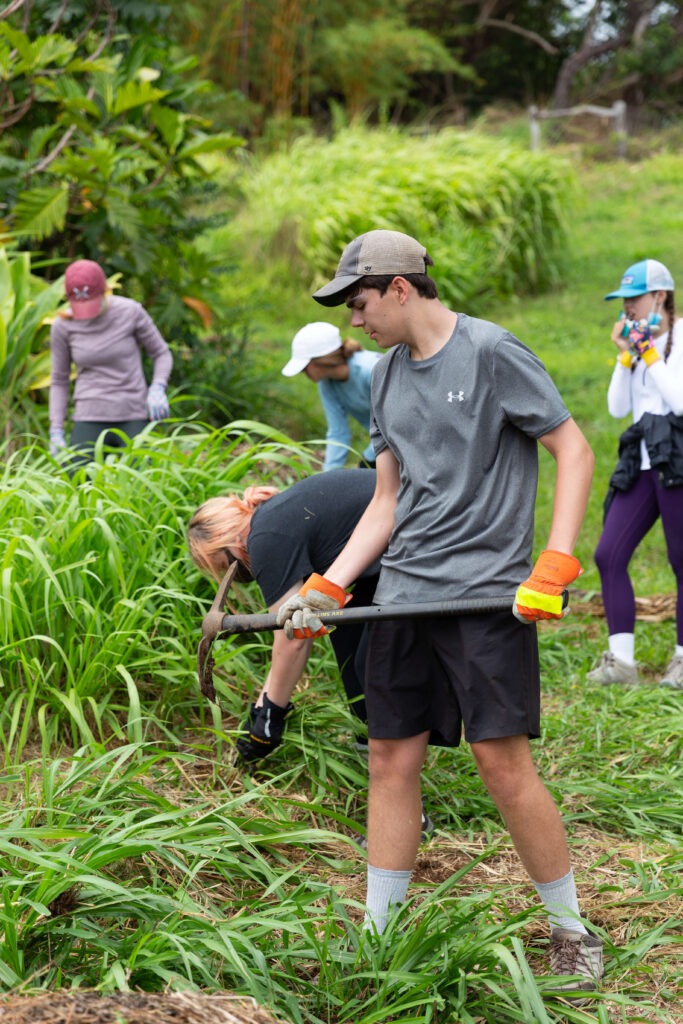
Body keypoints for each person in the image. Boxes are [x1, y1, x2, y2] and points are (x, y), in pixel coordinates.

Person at [276, 229, 601, 996]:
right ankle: (376, 938)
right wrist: (332, 584)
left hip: (486, 593)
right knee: (389, 758)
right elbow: (387, 501)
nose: (355, 322)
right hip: (403, 595)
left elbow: (574, 448)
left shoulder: (491, 353)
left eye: (359, 304)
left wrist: (553, 561)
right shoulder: (384, 378)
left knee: (501, 764)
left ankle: (570, 930)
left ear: (397, 287)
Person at [587, 259, 683, 689]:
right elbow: (616, 408)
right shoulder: (637, 342)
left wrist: (649, 352)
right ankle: (621, 662)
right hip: (642, 462)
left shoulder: (680, 338)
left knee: (681, 560)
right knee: (608, 554)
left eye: (634, 299)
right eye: (623, 301)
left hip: (677, 460)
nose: (627, 309)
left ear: (659, 297)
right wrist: (626, 356)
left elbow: (679, 403)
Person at [49, 259, 173, 469]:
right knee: (78, 482)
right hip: (89, 412)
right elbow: (59, 380)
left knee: (146, 481)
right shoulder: (62, 326)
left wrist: (158, 386)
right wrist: (56, 429)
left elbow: (161, 353)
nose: (85, 312)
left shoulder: (130, 312)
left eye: (90, 302)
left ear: (104, 291)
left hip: (132, 410)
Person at [281, 321, 381, 470]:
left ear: (320, 360)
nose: (303, 373)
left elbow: (397, 421)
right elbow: (338, 433)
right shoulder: (327, 384)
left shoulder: (370, 370)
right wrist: (327, 478)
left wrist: (369, 457)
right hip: (382, 444)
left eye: (304, 368)